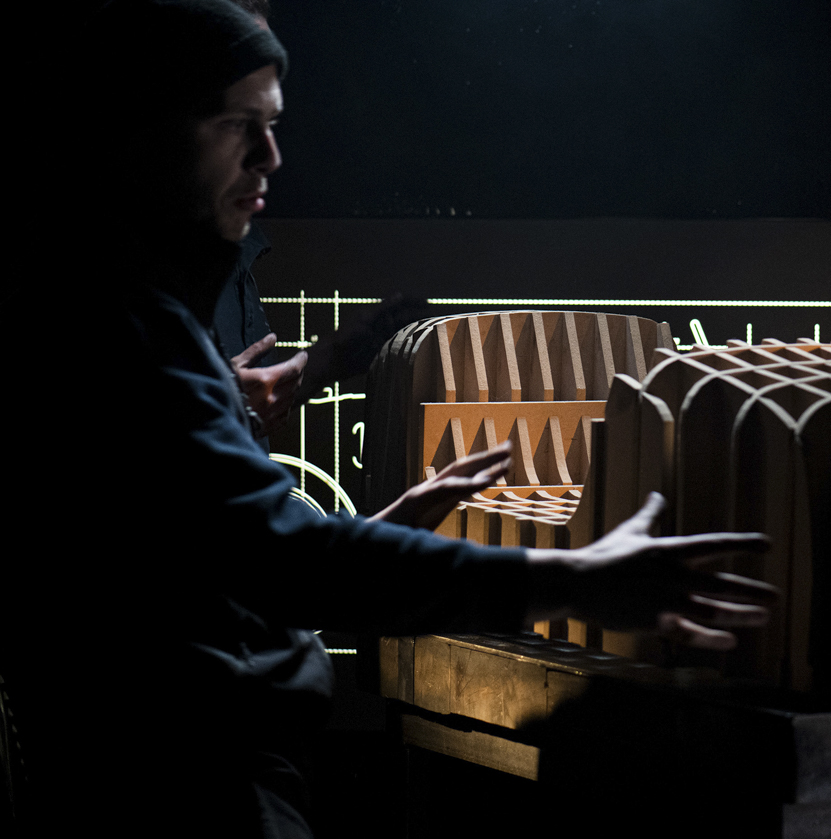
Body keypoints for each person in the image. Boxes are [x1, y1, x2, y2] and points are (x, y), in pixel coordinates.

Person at [0, 2, 772, 835]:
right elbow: (279, 562)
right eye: (236, 125)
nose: (270, 156)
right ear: (145, 135)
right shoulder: (119, 330)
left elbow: (224, 560)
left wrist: (386, 528)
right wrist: (577, 581)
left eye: (272, 125)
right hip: (183, 792)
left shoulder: (128, 308)